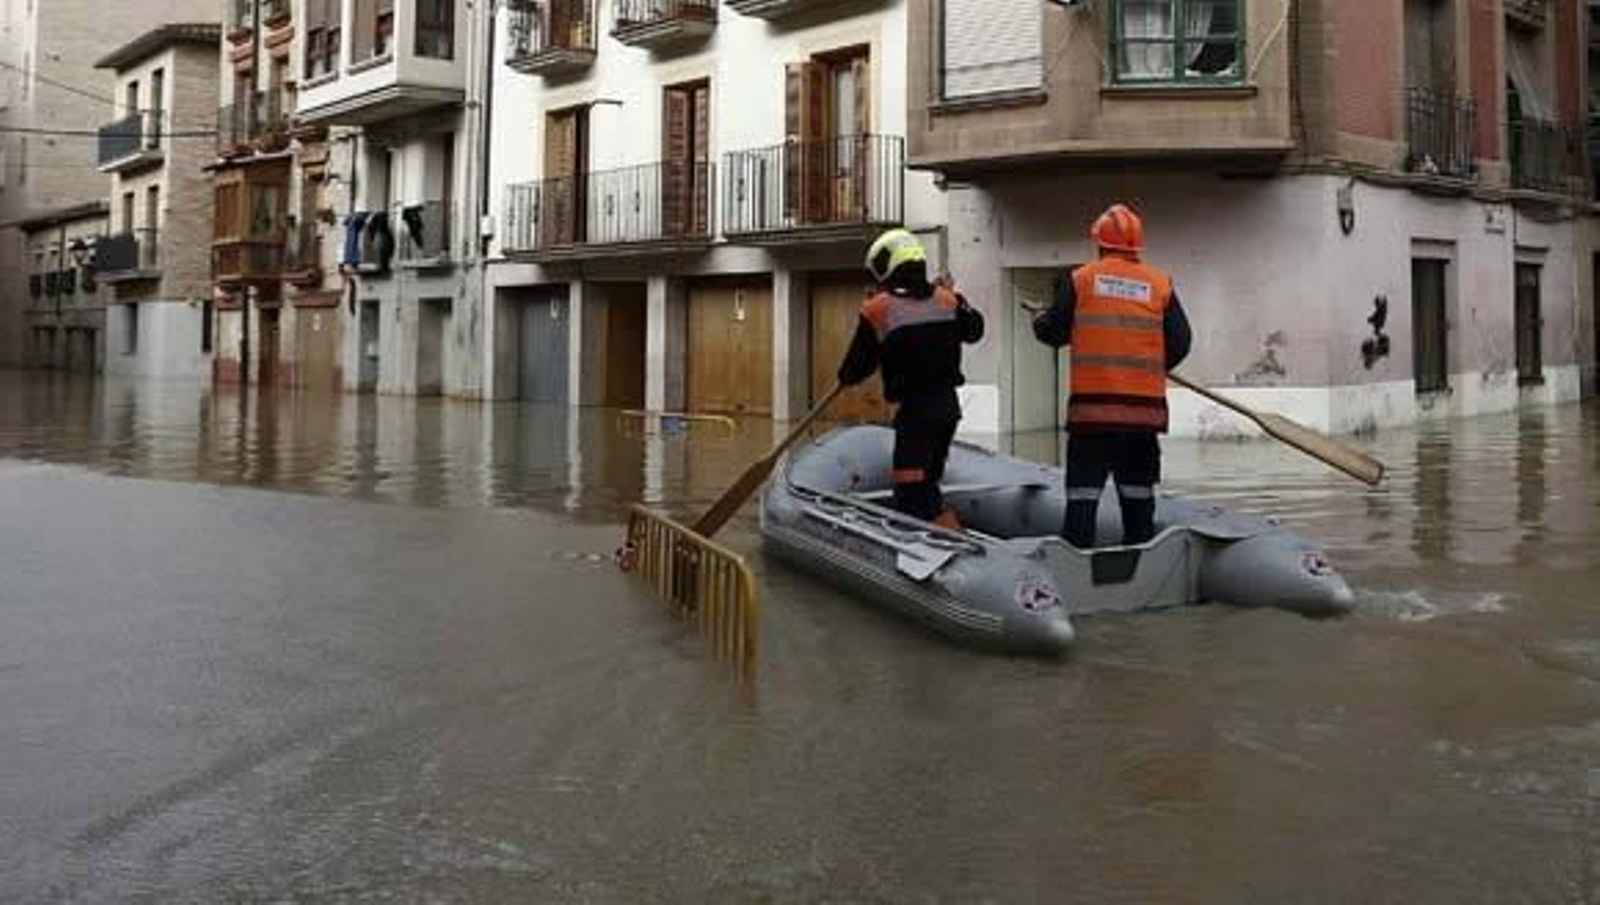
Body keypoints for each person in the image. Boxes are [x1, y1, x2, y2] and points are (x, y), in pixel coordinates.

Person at [1032, 203, 1192, 548]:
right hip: (1142, 420)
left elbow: (1054, 332)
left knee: (1082, 503)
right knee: (1138, 504)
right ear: (1137, 245)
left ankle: (1077, 581)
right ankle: (1141, 576)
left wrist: (1039, 321)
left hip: (1092, 419)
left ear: (1099, 243)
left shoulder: (1081, 279)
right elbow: (1181, 342)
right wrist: (1149, 366)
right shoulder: (1160, 284)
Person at [839, 229, 984, 527]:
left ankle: (944, 539)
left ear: (888, 266)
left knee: (911, 488)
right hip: (947, 409)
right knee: (927, 481)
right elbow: (975, 330)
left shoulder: (878, 309)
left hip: (916, 412)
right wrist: (956, 297)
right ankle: (944, 529)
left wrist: (845, 377)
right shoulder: (947, 300)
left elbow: (856, 368)